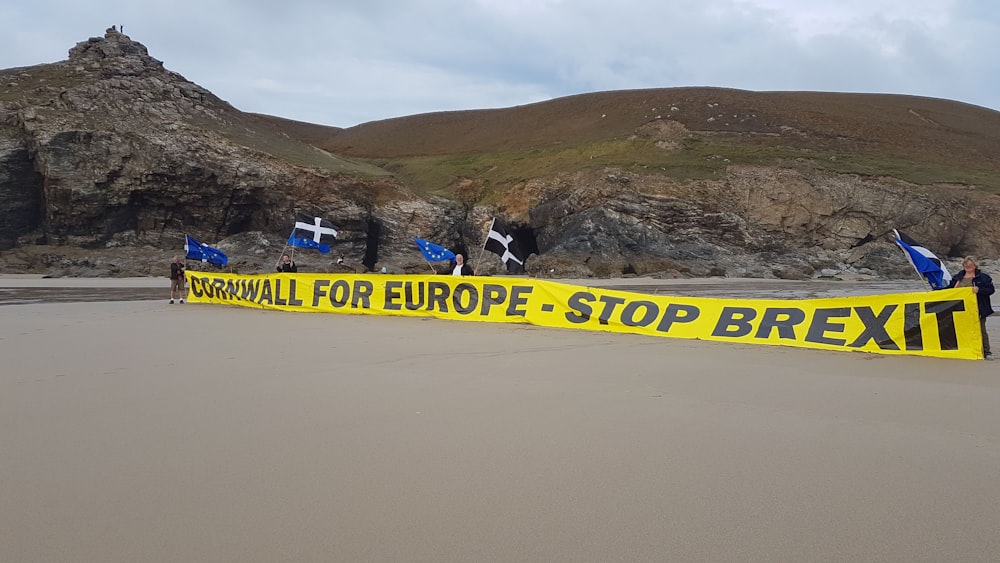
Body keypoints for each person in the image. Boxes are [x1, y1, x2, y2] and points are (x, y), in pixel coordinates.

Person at [951, 256, 994, 360]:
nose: (968, 266)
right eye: (966, 265)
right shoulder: (958, 277)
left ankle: (986, 351)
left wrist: (979, 290)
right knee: (962, 330)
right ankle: (966, 349)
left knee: (980, 329)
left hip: (978, 308)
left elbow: (990, 290)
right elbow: (948, 290)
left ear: (975, 265)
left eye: (970, 265)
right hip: (960, 309)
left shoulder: (983, 277)